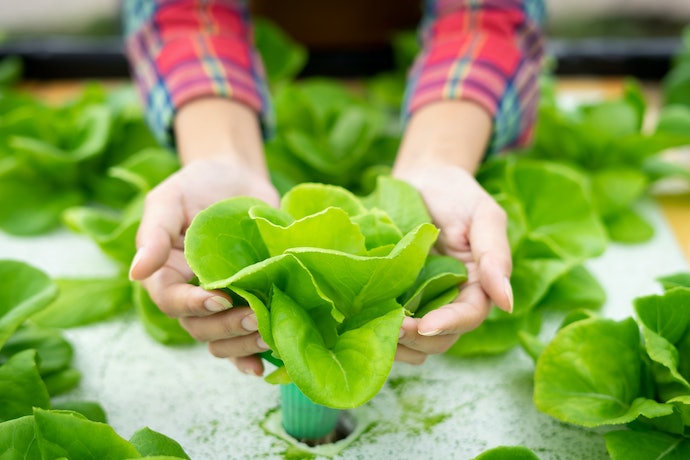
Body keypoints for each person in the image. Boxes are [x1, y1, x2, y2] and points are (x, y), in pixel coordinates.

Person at [124, 0, 545, 376]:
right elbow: (185, 10)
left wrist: (440, 158)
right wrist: (219, 151)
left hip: (415, 73)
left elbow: (487, 12)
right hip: (250, 76)